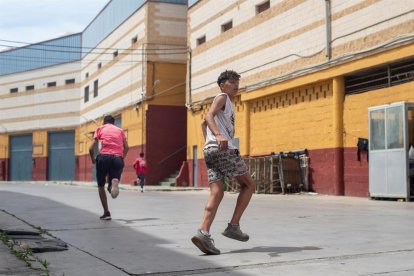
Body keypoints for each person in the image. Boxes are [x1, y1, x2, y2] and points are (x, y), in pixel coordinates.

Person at [191, 70, 256, 255]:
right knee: (249, 184)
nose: (236, 85)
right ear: (222, 85)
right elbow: (208, 116)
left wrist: (209, 142)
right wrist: (219, 136)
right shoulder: (222, 97)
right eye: (232, 82)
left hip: (210, 151)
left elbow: (204, 123)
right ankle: (233, 226)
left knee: (217, 192)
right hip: (223, 151)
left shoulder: (226, 102)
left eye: (237, 82)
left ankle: (203, 232)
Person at [89, 115, 129, 220]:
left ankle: (106, 212)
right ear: (114, 123)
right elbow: (127, 147)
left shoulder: (100, 129)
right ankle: (113, 184)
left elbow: (90, 148)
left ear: (104, 122)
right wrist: (122, 157)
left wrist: (93, 159)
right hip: (117, 159)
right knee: (113, 178)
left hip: (103, 158)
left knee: (101, 186)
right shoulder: (120, 130)